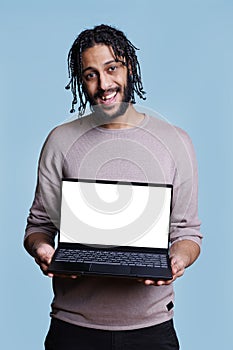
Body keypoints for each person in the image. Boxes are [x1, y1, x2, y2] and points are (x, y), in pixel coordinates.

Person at [24, 24, 202, 350]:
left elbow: (187, 233)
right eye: (91, 74)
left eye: (111, 68)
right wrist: (43, 250)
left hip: (152, 328)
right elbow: (39, 226)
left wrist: (177, 259)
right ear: (81, 81)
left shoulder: (175, 142)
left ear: (129, 68)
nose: (104, 84)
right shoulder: (60, 141)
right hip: (73, 327)